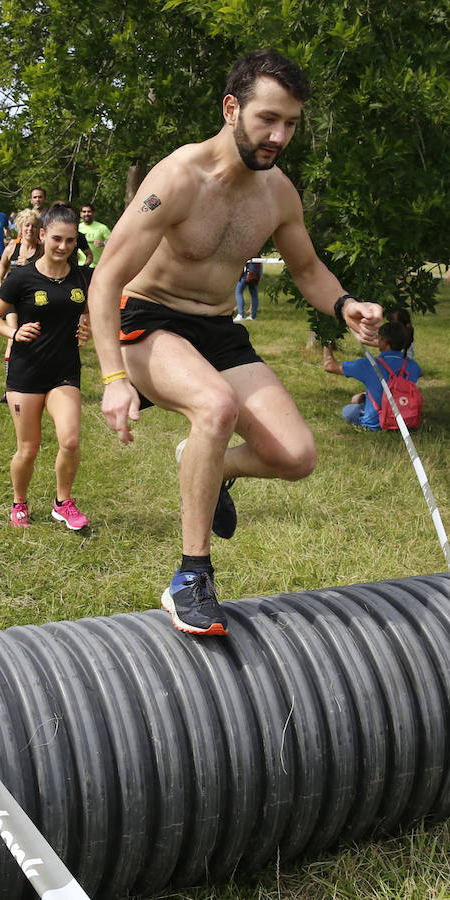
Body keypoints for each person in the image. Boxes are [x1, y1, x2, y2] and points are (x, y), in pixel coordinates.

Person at [88, 48, 383, 637]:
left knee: (295, 455)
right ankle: (190, 578)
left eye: (291, 123)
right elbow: (105, 280)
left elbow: (306, 269)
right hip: (148, 320)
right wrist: (114, 379)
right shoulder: (177, 178)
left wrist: (346, 304)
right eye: (267, 119)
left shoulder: (277, 193)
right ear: (232, 108)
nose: (279, 135)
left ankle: (207, 464)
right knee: (214, 406)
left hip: (219, 328)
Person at [0, 203, 92, 530]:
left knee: (70, 440)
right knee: (28, 450)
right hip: (26, 373)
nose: (63, 247)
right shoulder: (22, 278)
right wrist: (13, 332)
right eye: (57, 239)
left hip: (64, 372)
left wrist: (87, 325)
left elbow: (95, 313)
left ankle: (63, 502)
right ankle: (19, 502)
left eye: (70, 241)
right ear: (43, 235)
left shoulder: (83, 278)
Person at [323, 321, 421, 429]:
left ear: (384, 342)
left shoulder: (369, 365)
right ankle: (365, 398)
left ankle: (366, 401)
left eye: (379, 338)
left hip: (376, 423)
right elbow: (420, 373)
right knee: (359, 398)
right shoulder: (413, 366)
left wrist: (327, 343)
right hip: (406, 420)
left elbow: (329, 366)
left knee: (348, 410)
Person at [0, 209, 44, 398]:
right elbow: (3, 264)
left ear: (39, 229)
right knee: (12, 337)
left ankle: (34, 380)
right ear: (20, 227)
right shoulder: (11, 248)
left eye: (34, 225)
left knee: (33, 338)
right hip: (12, 298)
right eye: (27, 225)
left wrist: (31, 265)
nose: (30, 229)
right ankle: (10, 387)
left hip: (34, 300)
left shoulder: (42, 250)